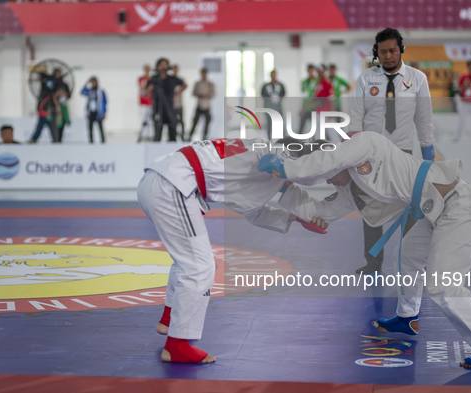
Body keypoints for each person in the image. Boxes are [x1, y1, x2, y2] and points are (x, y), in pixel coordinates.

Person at [259, 131, 471, 369]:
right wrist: (285, 186)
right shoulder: (349, 191)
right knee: (406, 257)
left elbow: (329, 159)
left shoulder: (367, 144)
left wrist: (286, 167)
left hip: (461, 205)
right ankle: (407, 318)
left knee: (442, 283)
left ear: (330, 159)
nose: (328, 179)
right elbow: (321, 211)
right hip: (431, 212)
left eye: (327, 172)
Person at [138, 137, 328, 364]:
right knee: (199, 267)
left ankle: (169, 320)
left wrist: (295, 217)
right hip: (173, 186)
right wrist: (285, 172)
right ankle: (176, 345)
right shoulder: (279, 156)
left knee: (189, 263)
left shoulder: (258, 148)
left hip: (162, 181)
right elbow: (271, 162)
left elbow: (253, 211)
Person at [349, 27, 435, 275]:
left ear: (401, 50)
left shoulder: (417, 79)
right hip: (372, 155)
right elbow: (356, 116)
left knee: (409, 211)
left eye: (393, 50)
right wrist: (354, 150)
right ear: (377, 53)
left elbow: (424, 119)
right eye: (383, 51)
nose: (388, 56)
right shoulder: (366, 78)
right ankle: (373, 263)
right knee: (370, 209)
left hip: (403, 154)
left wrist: (428, 155)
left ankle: (412, 261)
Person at [148, 58, 185, 142]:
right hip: (157, 109)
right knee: (157, 133)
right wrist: (149, 89)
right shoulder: (154, 79)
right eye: (161, 64)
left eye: (165, 64)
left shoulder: (172, 78)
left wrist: (178, 93)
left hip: (170, 108)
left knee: (172, 133)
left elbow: (184, 84)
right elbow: (146, 91)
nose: (163, 66)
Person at [188, 68, 215, 141]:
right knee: (194, 123)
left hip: (207, 106)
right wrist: (200, 95)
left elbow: (213, 94)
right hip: (199, 106)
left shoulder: (210, 84)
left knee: (206, 124)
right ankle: (189, 137)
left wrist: (206, 95)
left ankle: (204, 138)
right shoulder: (197, 83)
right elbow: (193, 93)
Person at [81, 77, 107, 144]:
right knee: (90, 128)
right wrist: (86, 83)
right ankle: (91, 142)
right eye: (92, 82)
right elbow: (82, 92)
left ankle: (103, 141)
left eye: (94, 82)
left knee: (100, 128)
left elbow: (104, 102)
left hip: (98, 112)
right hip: (90, 112)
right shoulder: (89, 91)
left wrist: (104, 112)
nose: (93, 84)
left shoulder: (100, 91)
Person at [261, 70, 286, 139]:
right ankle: (269, 139)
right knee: (269, 124)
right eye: (272, 74)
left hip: (278, 107)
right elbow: (262, 94)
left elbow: (284, 94)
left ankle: (282, 139)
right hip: (269, 107)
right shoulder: (266, 86)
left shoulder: (280, 85)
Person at [299, 64, 318, 133]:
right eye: (309, 71)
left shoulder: (317, 82)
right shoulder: (304, 82)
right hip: (305, 108)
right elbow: (305, 96)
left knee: (316, 128)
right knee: (301, 127)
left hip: (314, 108)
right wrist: (303, 108)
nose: (310, 72)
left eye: (312, 71)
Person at [138, 64, 154, 142]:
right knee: (143, 118)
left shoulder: (152, 79)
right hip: (143, 102)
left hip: (151, 102)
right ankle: (144, 134)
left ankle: (150, 134)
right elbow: (142, 87)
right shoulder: (142, 78)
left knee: (150, 119)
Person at [171, 64, 187, 140]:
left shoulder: (179, 80)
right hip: (171, 105)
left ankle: (182, 135)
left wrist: (178, 92)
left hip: (179, 104)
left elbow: (185, 85)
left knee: (181, 120)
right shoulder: (170, 80)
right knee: (172, 121)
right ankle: (172, 135)